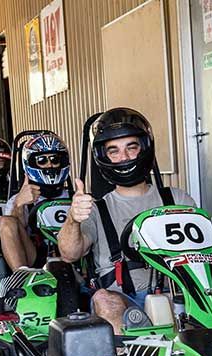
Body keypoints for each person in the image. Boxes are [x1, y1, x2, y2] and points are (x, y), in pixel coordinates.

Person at [57, 108, 196, 332]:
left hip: (179, 298)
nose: (124, 157)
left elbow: (207, 257)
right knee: (104, 299)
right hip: (123, 301)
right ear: (104, 157)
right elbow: (68, 254)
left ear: (144, 148)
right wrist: (73, 218)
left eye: (131, 147)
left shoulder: (178, 199)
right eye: (114, 151)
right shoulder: (95, 208)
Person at [0, 132, 72, 270]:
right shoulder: (18, 200)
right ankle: (22, 277)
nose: (49, 165)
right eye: (42, 161)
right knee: (7, 221)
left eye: (55, 159)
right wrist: (20, 204)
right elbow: (13, 233)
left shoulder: (74, 196)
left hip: (76, 254)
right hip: (37, 257)